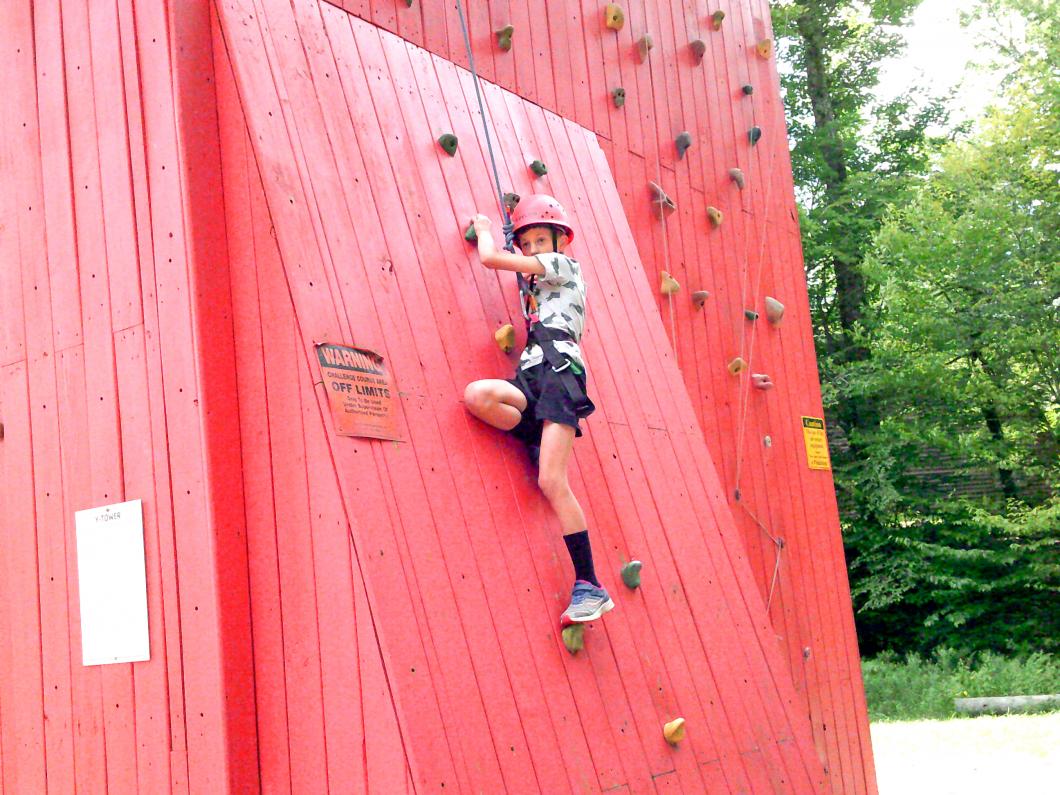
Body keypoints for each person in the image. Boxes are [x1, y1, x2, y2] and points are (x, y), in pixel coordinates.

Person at [463, 194, 615, 627]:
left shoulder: (566, 267)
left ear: (559, 241)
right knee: (478, 395)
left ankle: (590, 585)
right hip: (532, 373)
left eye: (539, 241)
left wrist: (487, 228)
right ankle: (533, 435)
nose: (531, 250)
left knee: (552, 480)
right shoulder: (537, 278)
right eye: (525, 244)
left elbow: (492, 258)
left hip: (560, 373)